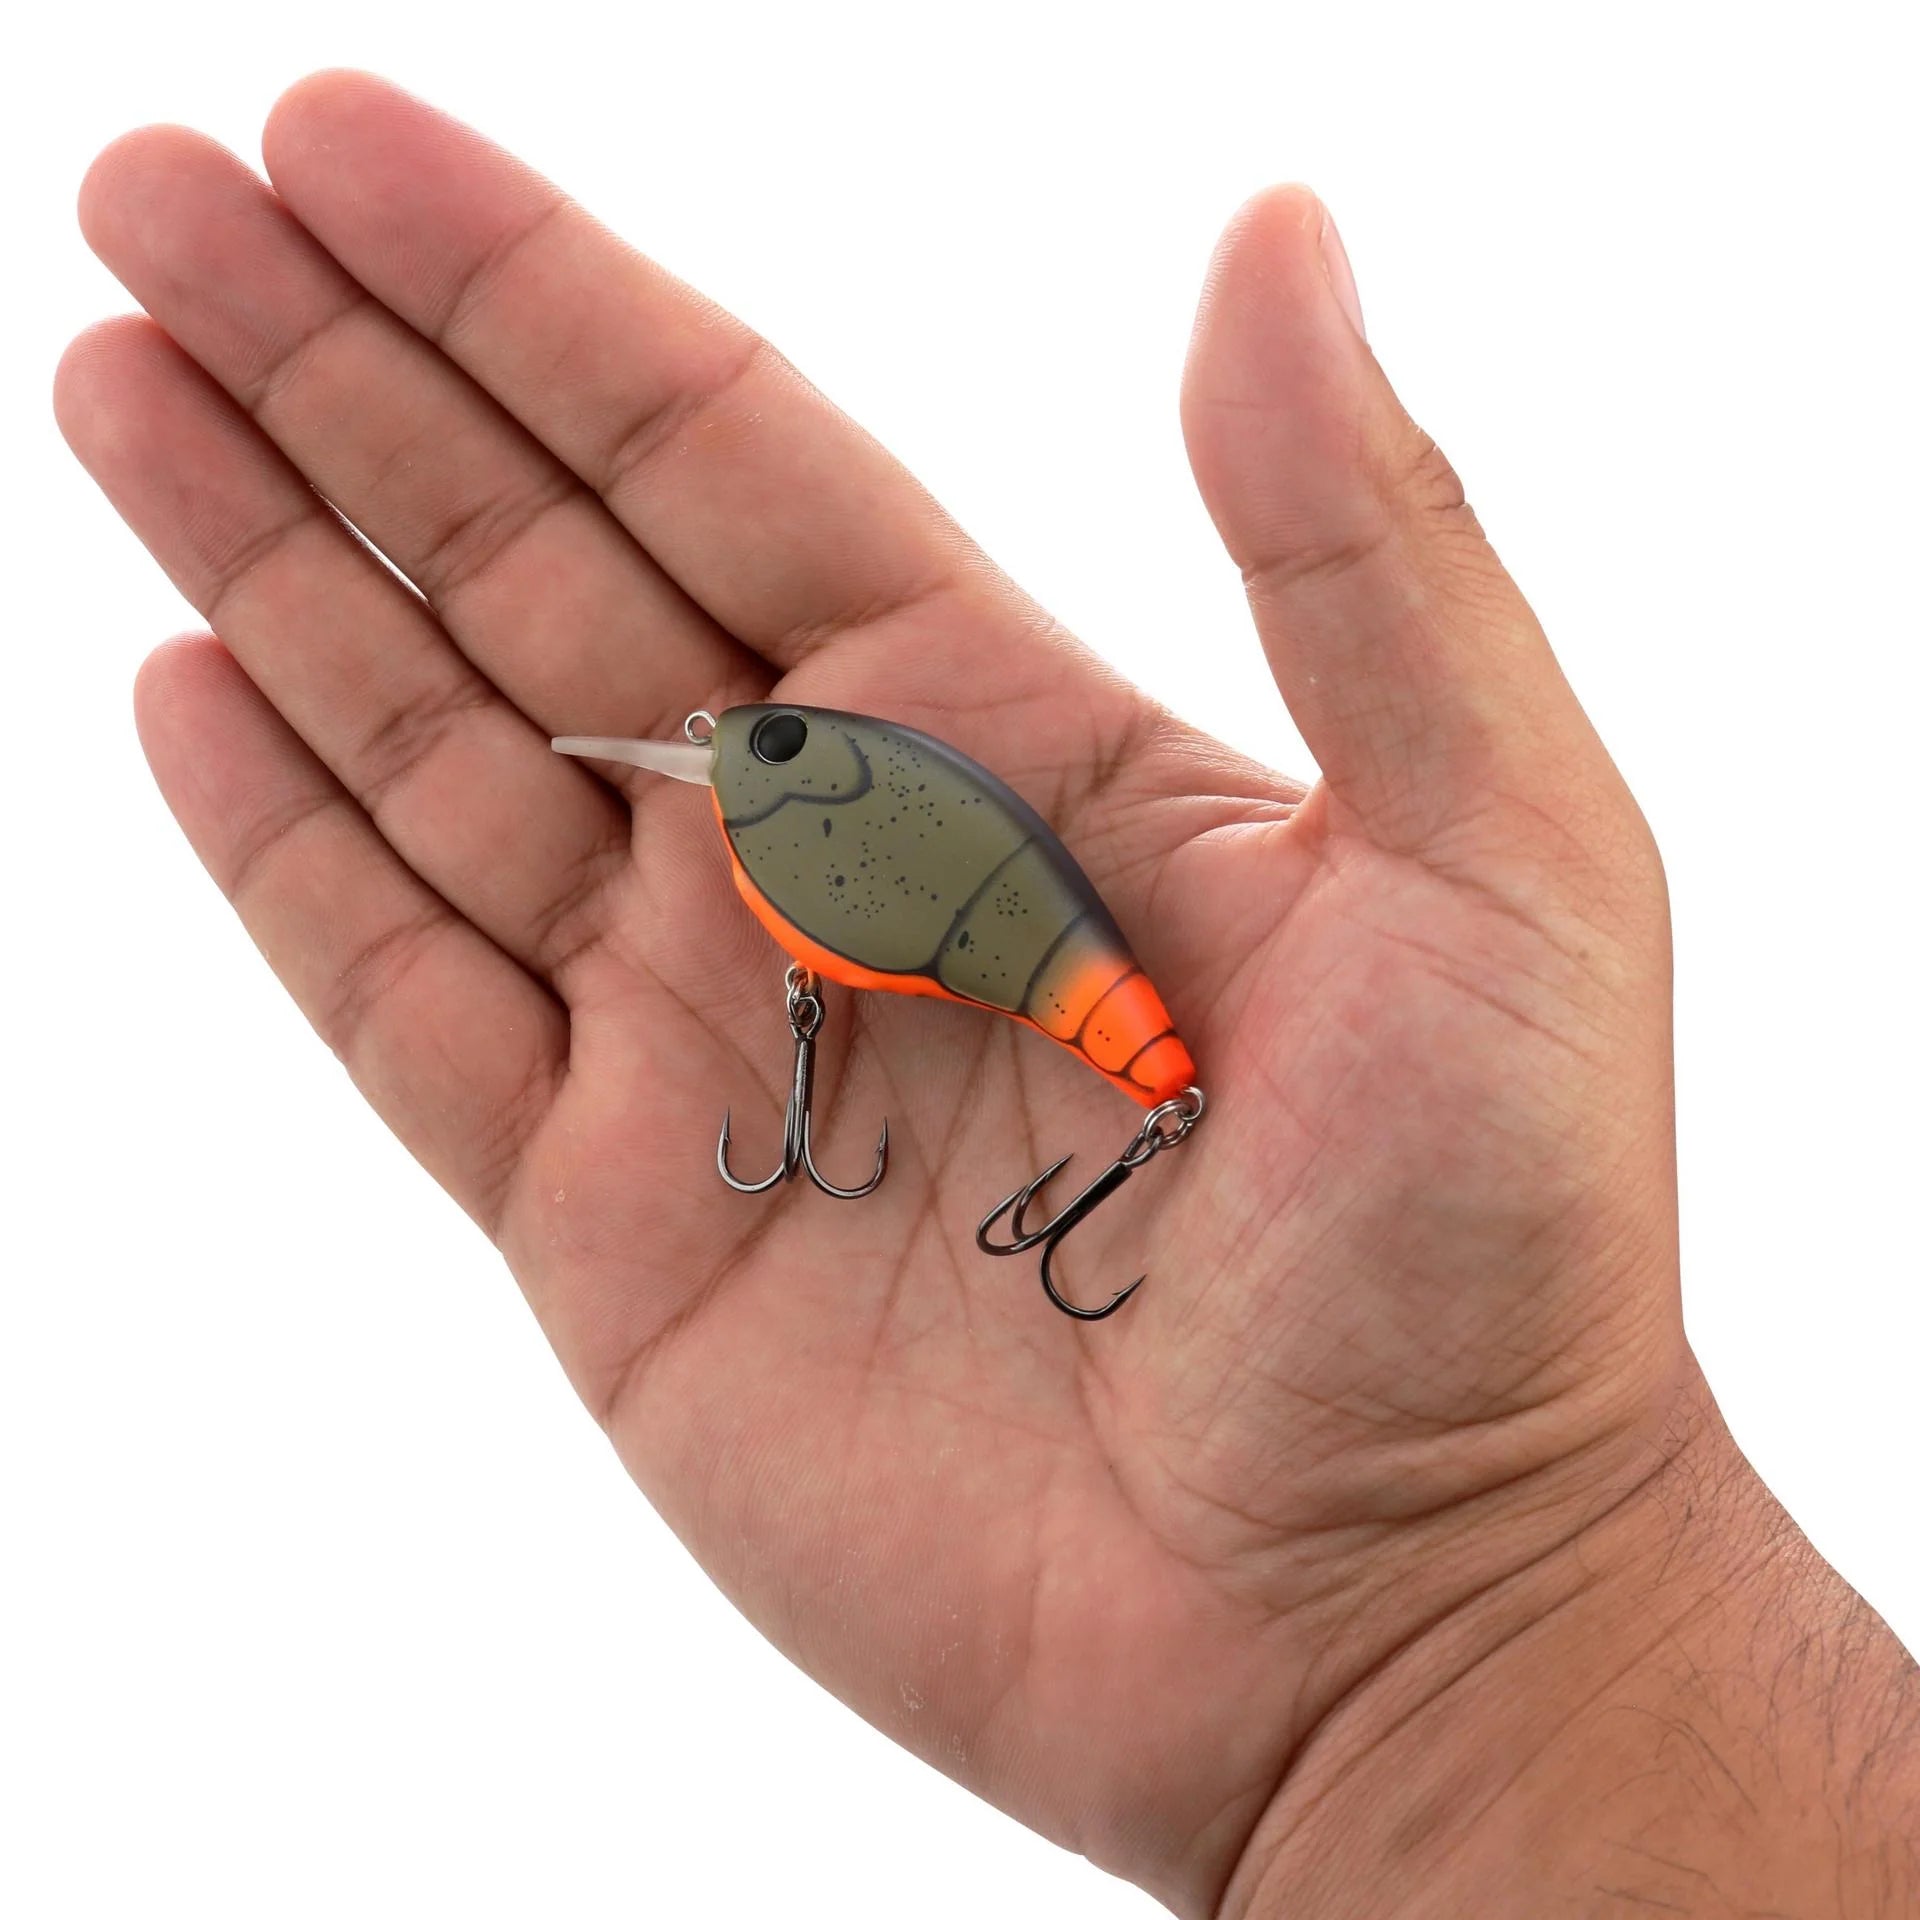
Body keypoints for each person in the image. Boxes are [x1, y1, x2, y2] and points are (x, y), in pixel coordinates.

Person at [56, 68, 1916, 1917]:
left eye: (736, 747)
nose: (710, 757)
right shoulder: (785, 826)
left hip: (1078, 1005)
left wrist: (1478, 1593)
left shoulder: (842, 834)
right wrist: (1500, 1632)